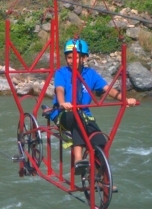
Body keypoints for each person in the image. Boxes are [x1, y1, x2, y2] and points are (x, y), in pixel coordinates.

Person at [49, 39, 139, 170]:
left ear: (84, 58)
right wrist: (63, 103)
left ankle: (103, 178)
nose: (71, 61)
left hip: (85, 115)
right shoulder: (61, 73)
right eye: (69, 58)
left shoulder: (90, 74)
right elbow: (60, 89)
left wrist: (125, 99)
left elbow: (108, 89)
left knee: (100, 141)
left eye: (75, 57)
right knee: (76, 117)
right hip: (64, 114)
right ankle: (78, 159)